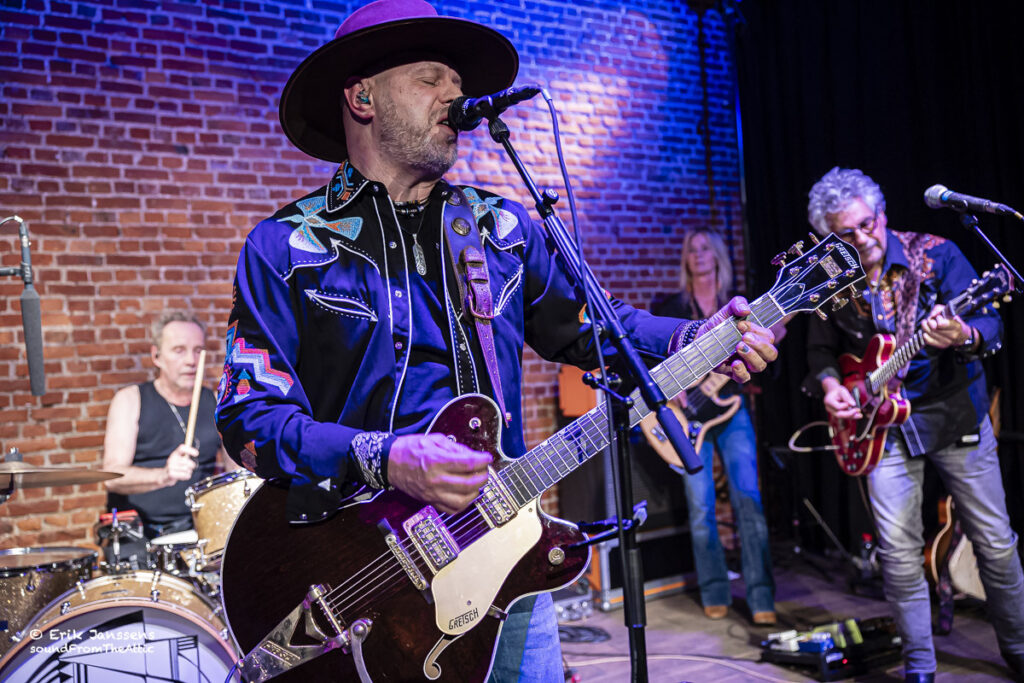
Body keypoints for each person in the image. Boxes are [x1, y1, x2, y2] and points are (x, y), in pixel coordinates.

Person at [214, 0, 779, 680]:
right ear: (363, 98)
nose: (454, 96)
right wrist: (387, 458)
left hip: (505, 558)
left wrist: (698, 334)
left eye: (457, 82)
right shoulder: (287, 246)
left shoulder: (500, 229)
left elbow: (599, 328)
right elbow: (249, 418)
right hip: (354, 568)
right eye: (431, 78)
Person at [804, 167, 1024, 682]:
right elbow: (820, 353)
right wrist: (833, 386)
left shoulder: (937, 254)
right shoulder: (831, 282)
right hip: (882, 429)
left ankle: (1018, 648)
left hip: (954, 414)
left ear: (882, 215)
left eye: (866, 224)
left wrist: (963, 333)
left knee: (995, 543)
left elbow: (989, 324)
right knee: (898, 554)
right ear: (829, 239)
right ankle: (919, 666)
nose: (861, 239)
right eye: (845, 234)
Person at [653, 228, 776, 625]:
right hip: (686, 417)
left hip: (731, 409)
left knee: (748, 498)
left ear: (718, 255)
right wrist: (672, 390)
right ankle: (714, 590)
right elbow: (653, 356)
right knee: (700, 505)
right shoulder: (672, 305)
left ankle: (761, 598)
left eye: (706, 248)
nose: (699, 255)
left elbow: (764, 352)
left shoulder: (740, 304)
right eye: (692, 249)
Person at [102, 312, 222, 540]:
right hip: (137, 533)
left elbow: (237, 475)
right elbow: (111, 477)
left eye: (198, 350)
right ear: (156, 356)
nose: (191, 360)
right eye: (179, 350)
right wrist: (164, 475)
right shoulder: (131, 400)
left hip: (200, 530)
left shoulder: (218, 402)